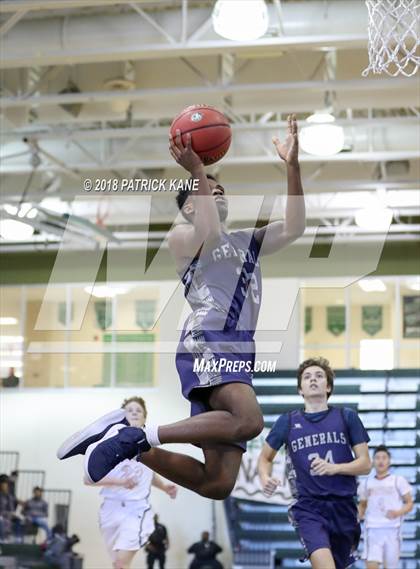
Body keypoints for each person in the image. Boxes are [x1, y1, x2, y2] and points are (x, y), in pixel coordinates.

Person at [58, 114, 306, 502]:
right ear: (190, 207)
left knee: (218, 484)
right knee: (250, 420)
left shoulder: (248, 240)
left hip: (238, 348)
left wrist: (292, 166)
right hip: (208, 338)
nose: (218, 192)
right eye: (210, 190)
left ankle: (131, 444)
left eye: (220, 189)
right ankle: (138, 434)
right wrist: (197, 171)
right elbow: (208, 232)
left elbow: (294, 227)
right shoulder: (182, 237)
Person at [258, 357, 372, 569]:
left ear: (328, 386)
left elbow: (365, 464)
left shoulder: (347, 417)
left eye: (319, 376)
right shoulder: (288, 422)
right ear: (300, 389)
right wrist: (265, 477)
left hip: (344, 507)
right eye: (307, 377)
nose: (313, 380)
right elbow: (265, 457)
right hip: (309, 508)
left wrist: (335, 468)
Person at [84, 397, 177, 569]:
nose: (134, 412)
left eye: (138, 410)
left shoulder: (148, 443)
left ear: (145, 417)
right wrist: (119, 481)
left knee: (121, 563)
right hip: (110, 510)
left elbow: (148, 473)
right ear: (121, 418)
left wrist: (164, 487)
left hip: (137, 509)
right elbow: (88, 479)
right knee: (117, 563)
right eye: (129, 410)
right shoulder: (109, 444)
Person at [358, 445, 413, 569]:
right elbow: (362, 505)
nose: (381, 461)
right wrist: (356, 517)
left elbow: (409, 503)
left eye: (384, 458)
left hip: (392, 530)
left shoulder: (398, 481)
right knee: (371, 564)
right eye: (377, 458)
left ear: (389, 461)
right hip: (372, 529)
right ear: (373, 461)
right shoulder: (366, 483)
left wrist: (398, 512)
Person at [0, 474, 23, 542]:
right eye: (3, 484)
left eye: (6, 485)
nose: (5, 486)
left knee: (18, 519)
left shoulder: (9, 495)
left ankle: (17, 538)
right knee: (1, 519)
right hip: (1, 515)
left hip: (7, 514)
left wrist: (12, 513)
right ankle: (2, 538)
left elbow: (11, 508)